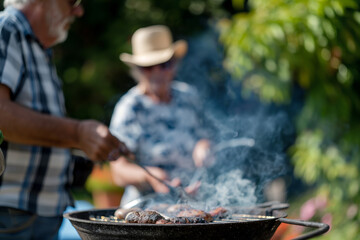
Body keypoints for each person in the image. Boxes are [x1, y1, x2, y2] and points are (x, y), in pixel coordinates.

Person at [0, 0, 129, 239]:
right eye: (73, 2)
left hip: (38, 213)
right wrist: (77, 133)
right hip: (10, 212)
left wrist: (84, 139)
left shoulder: (39, 48)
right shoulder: (5, 30)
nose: (79, 11)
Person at [109, 25, 213, 207]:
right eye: (148, 67)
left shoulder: (189, 96)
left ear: (174, 64)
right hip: (145, 209)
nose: (157, 73)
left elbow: (205, 136)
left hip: (192, 204)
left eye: (164, 64)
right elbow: (118, 171)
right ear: (137, 70)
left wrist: (203, 146)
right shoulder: (130, 108)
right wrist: (151, 176)